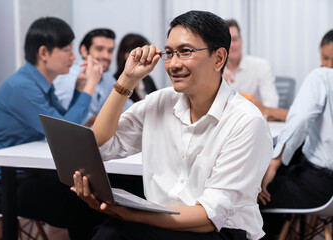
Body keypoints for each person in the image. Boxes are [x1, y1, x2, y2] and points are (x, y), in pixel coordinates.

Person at [72, 10, 273, 240]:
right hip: (164, 223)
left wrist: (129, 214)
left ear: (218, 58)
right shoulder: (160, 102)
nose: (173, 64)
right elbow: (100, 146)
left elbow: (209, 216)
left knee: (111, 234)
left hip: (223, 231)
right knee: (105, 230)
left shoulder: (246, 121)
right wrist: (127, 80)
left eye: (185, 52)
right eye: (169, 53)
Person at [0, 17, 105, 240]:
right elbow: (63, 131)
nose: (73, 57)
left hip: (21, 175)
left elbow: (61, 124)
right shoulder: (21, 87)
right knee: (80, 204)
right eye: (66, 50)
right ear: (44, 53)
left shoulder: (38, 84)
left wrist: (78, 91)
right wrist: (90, 86)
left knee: (87, 190)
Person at [258, 67, 333, 237]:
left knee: (250, 196)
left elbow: (301, 118)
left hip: (321, 187)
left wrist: (274, 162)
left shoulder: (322, 76)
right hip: (323, 183)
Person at [249, 29, 333, 121]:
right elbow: (299, 112)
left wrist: (265, 109)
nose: (329, 65)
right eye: (325, 58)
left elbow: (301, 116)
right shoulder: (318, 79)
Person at [54, 28, 134, 126]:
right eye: (99, 49)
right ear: (84, 51)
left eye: (110, 51)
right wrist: (113, 117)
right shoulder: (68, 76)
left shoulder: (108, 78)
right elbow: (74, 120)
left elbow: (130, 109)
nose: (106, 56)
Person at [224, 19, 279, 110]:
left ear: (241, 40)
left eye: (234, 39)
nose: (232, 45)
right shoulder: (214, 71)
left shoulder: (261, 66)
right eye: (227, 41)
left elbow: (271, 105)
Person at [114, 33, 157, 102]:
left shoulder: (148, 80)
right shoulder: (115, 82)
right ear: (128, 56)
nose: (149, 59)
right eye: (144, 54)